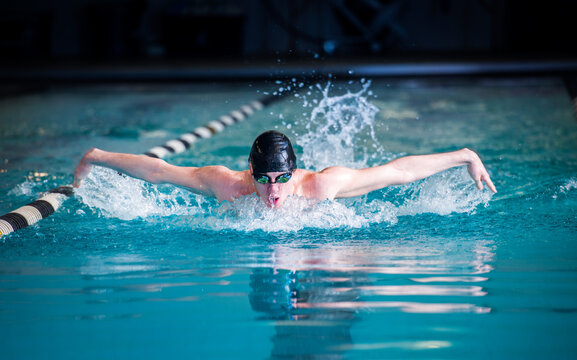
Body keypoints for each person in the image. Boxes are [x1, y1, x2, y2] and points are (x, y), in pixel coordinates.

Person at [74, 130, 497, 208]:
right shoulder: (227, 185)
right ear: (250, 172)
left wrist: (465, 156)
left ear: (295, 173)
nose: (272, 192)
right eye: (263, 180)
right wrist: (97, 156)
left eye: (281, 180)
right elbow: (161, 171)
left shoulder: (322, 186)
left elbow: (397, 172)